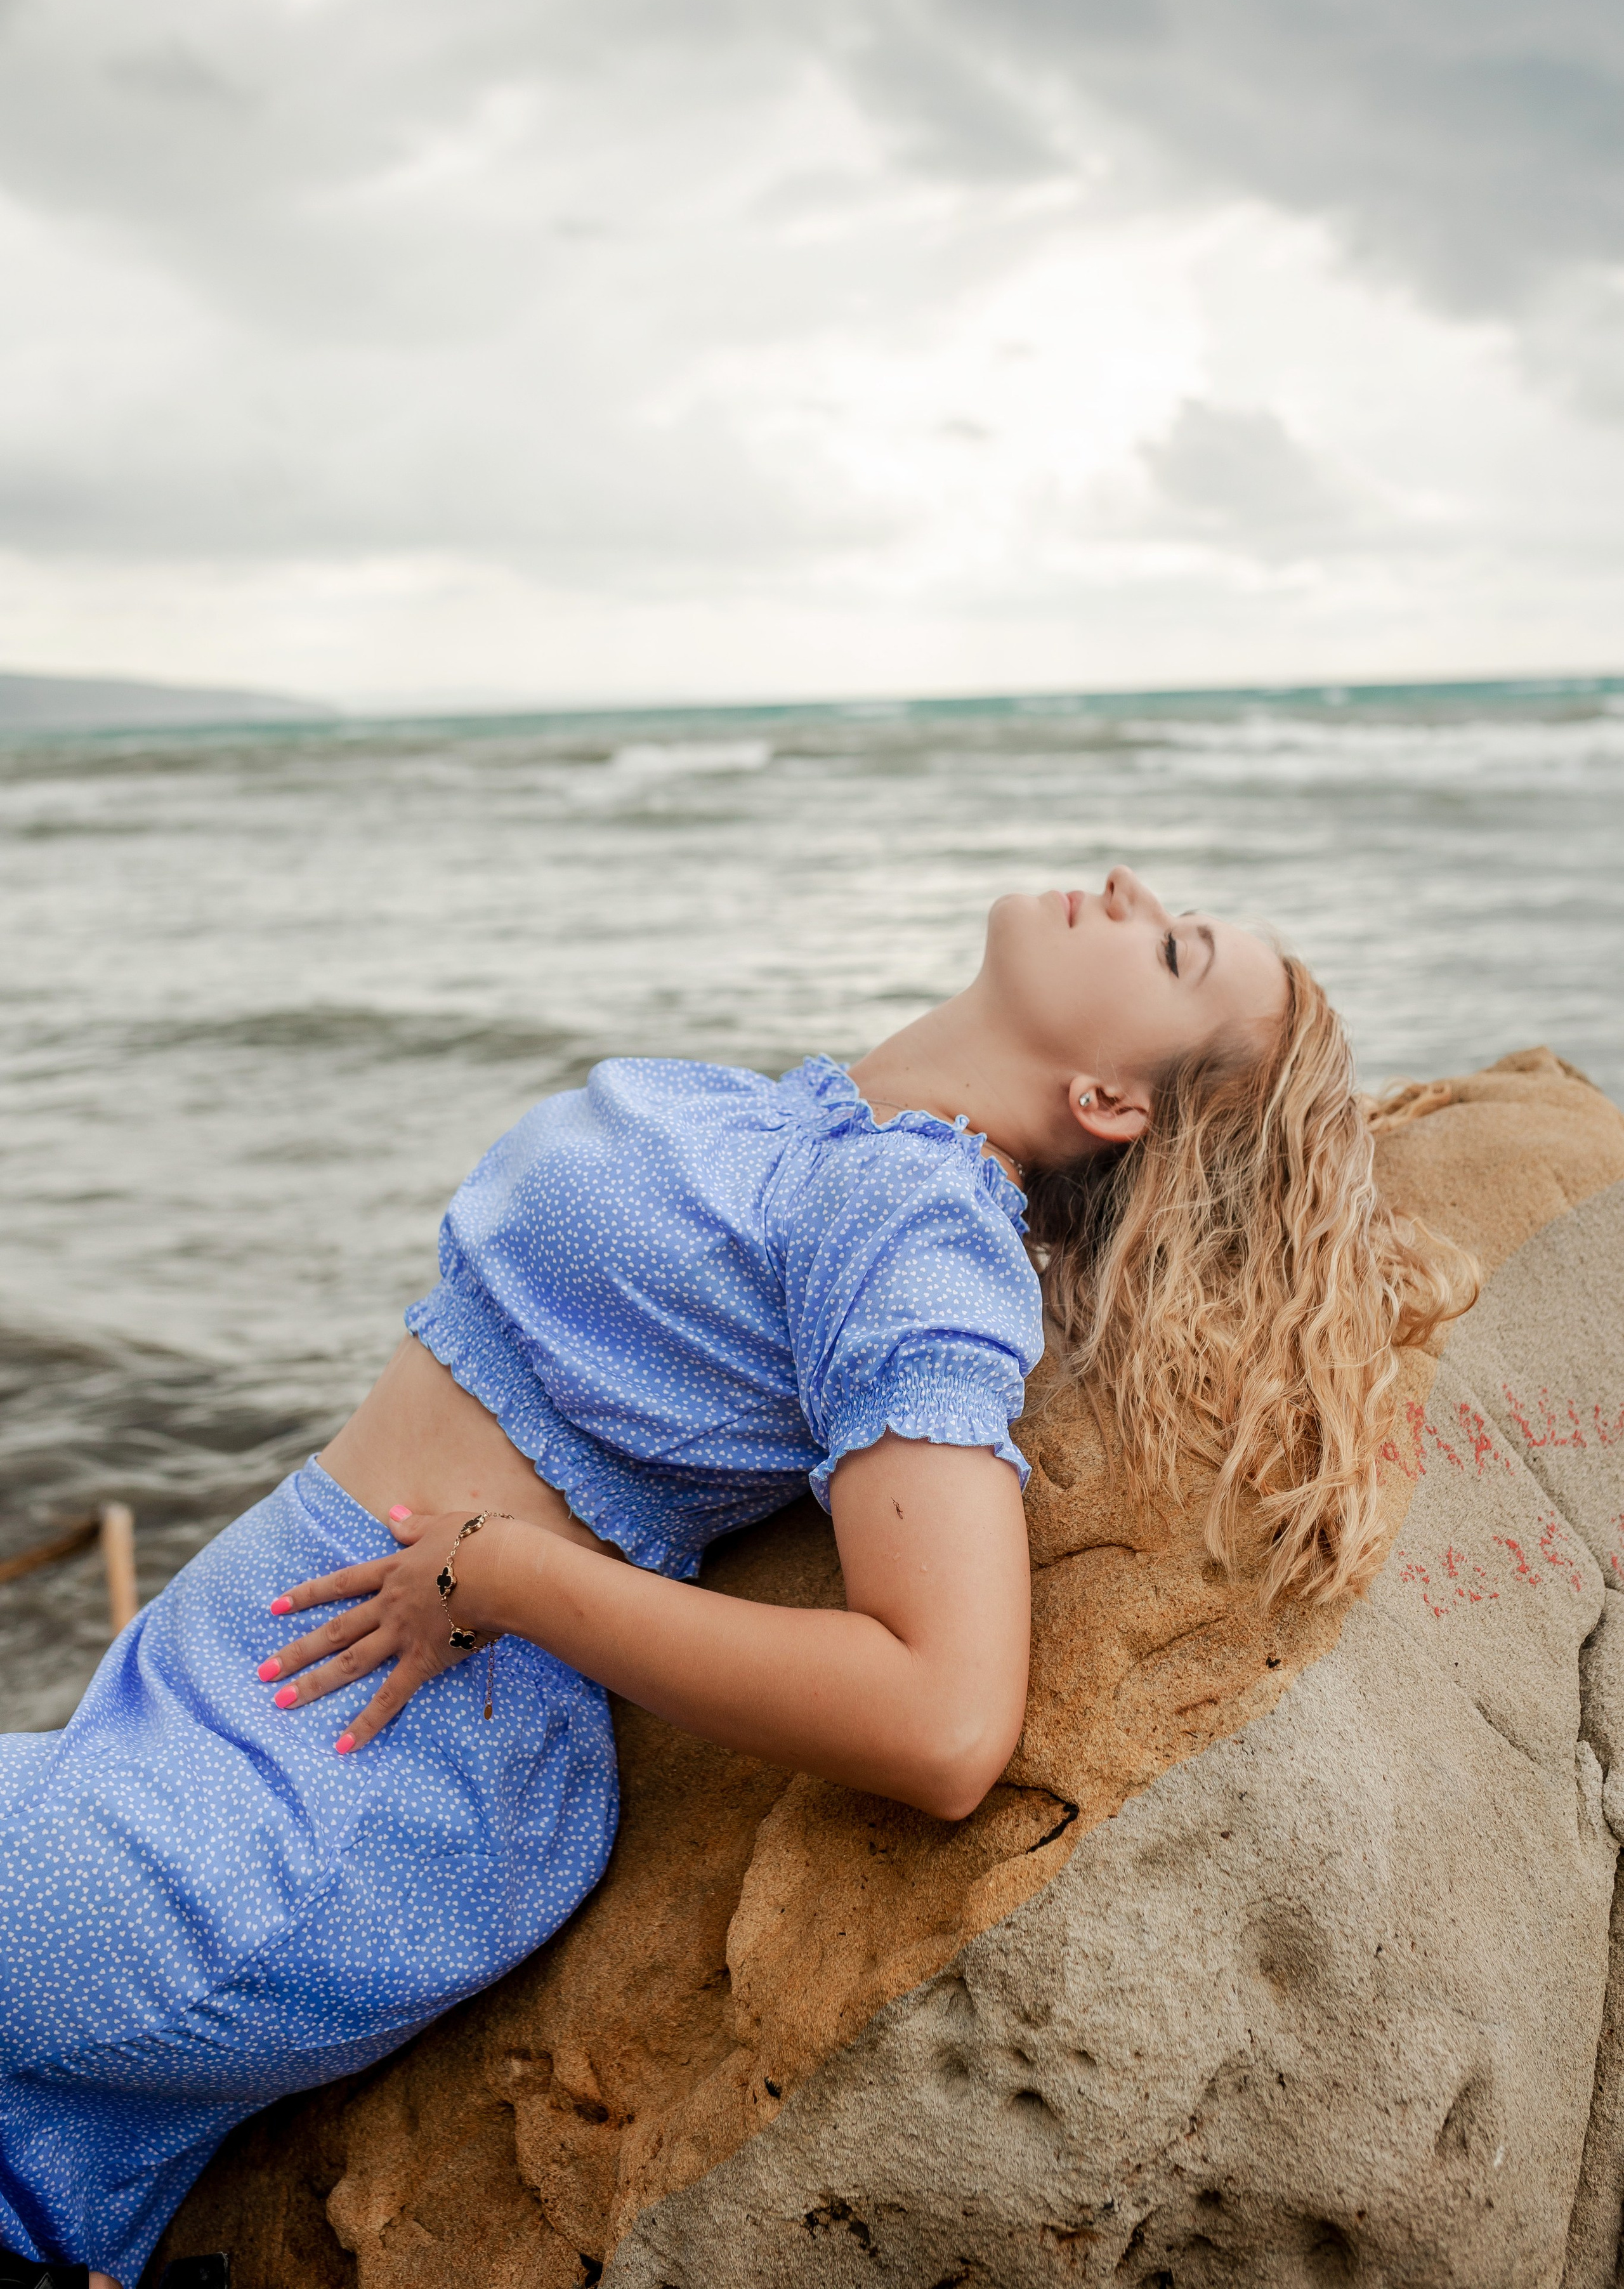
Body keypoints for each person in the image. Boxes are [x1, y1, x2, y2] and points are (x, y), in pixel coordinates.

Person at [0, 869, 1474, 2288]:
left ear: (1107, 1103)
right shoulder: (805, 1127)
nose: (1126, 882)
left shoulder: (913, 1227)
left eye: (1173, 950)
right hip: (221, 1700)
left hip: (346, 1779)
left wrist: (497, 1574)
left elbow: (943, 1718)